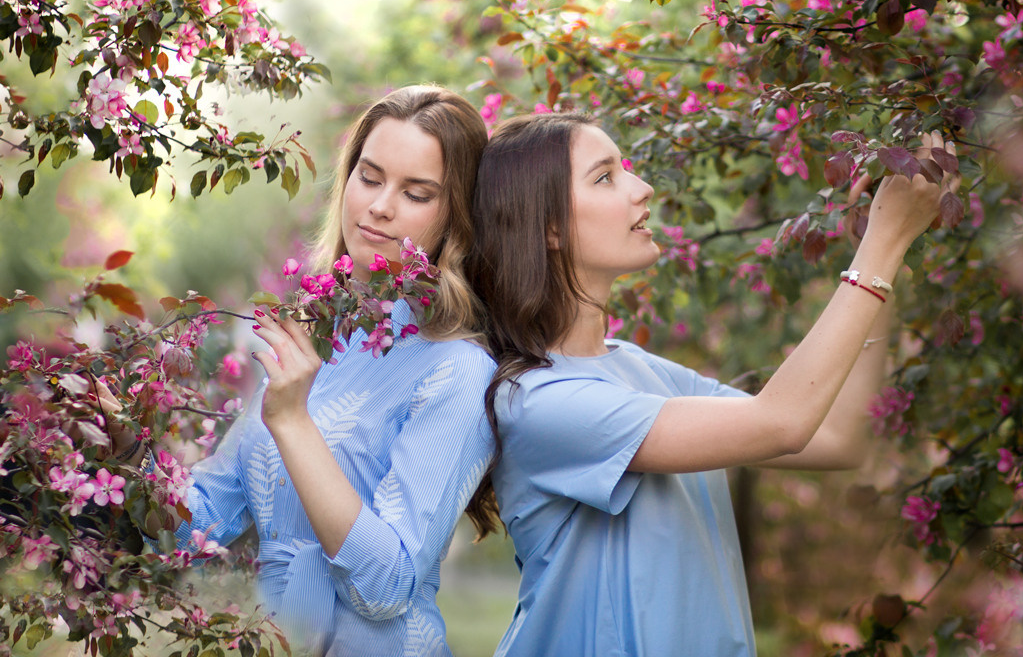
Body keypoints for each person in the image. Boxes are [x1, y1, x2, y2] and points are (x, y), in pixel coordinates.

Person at [464, 112, 955, 656]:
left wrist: (890, 253)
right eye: (604, 177)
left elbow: (837, 438)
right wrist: (880, 248)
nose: (642, 187)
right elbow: (782, 423)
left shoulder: (639, 369)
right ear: (548, 227)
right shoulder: (538, 400)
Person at [105, 85, 501, 656]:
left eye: (416, 193)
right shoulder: (321, 340)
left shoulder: (457, 370)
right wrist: (122, 443)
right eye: (369, 177)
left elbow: (387, 585)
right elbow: (203, 527)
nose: (380, 205)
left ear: (456, 218)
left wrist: (292, 421)